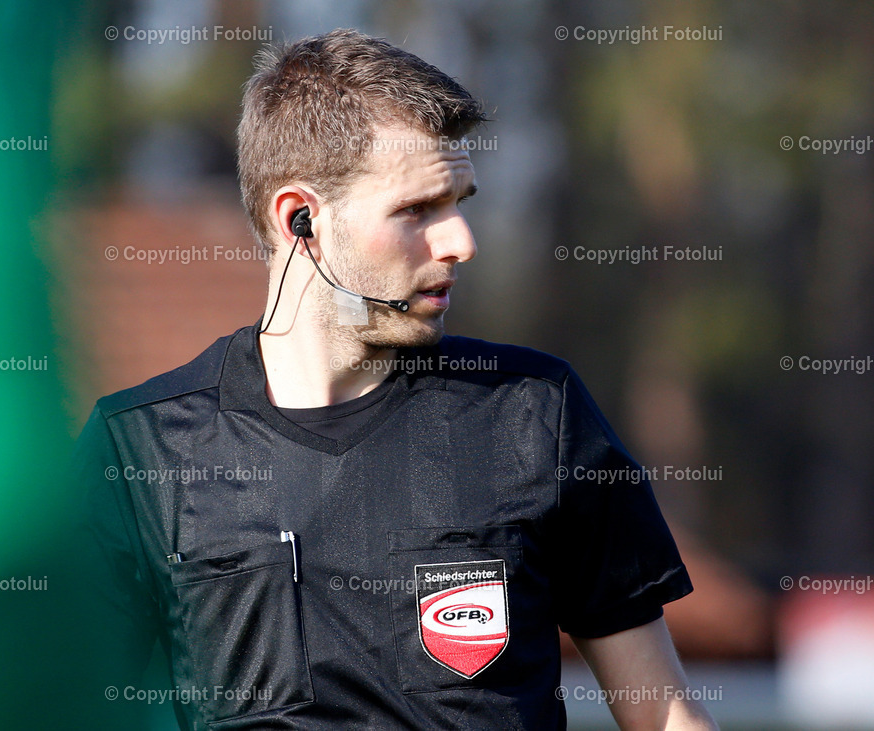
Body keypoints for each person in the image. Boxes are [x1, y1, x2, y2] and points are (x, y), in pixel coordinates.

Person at [74, 28, 718, 730]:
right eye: (417, 211)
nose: (461, 242)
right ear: (300, 221)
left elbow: (666, 718)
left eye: (460, 203)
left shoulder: (535, 415)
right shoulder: (140, 450)